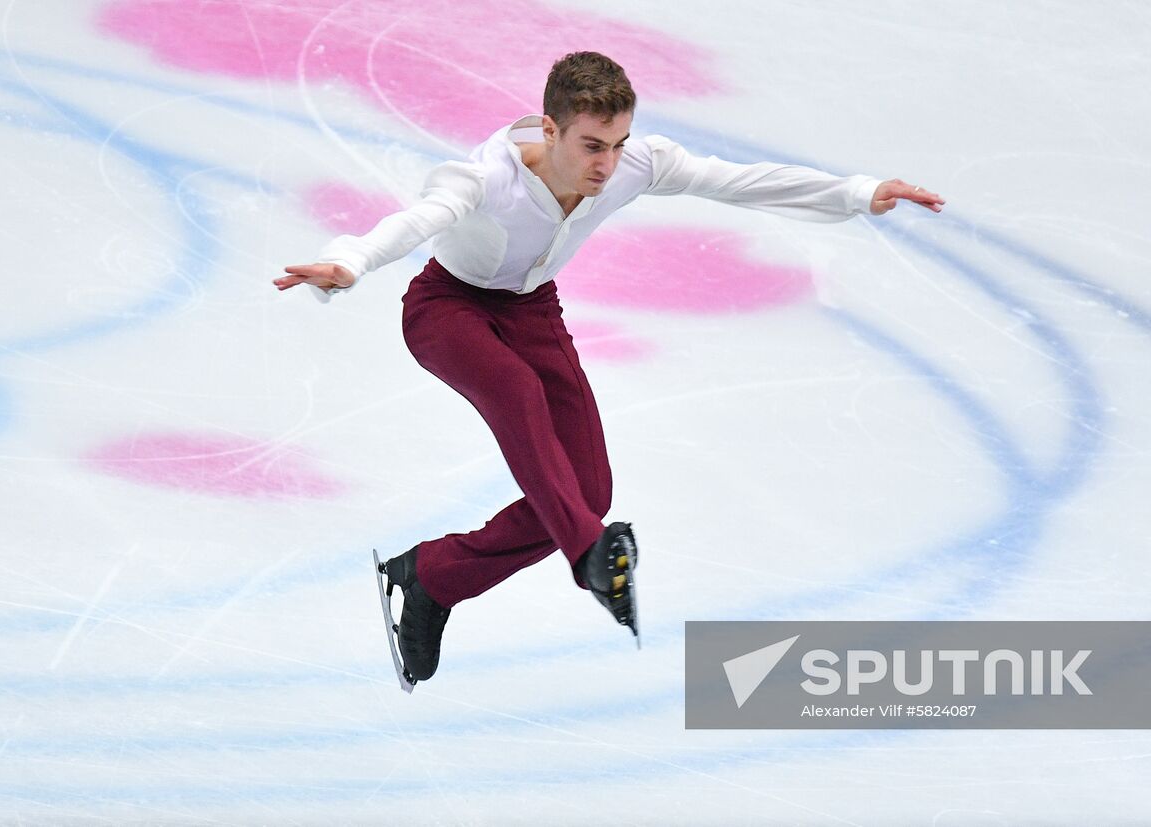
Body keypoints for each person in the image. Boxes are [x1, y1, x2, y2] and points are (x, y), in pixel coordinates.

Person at [275, 51, 945, 687]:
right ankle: (589, 559)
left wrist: (858, 192)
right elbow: (416, 221)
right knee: (519, 394)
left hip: (533, 311)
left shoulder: (633, 166)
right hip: (447, 310)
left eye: (619, 143)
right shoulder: (484, 178)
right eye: (593, 145)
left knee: (588, 495)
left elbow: (738, 181)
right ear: (551, 129)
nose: (608, 163)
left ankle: (433, 576)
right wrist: (350, 261)